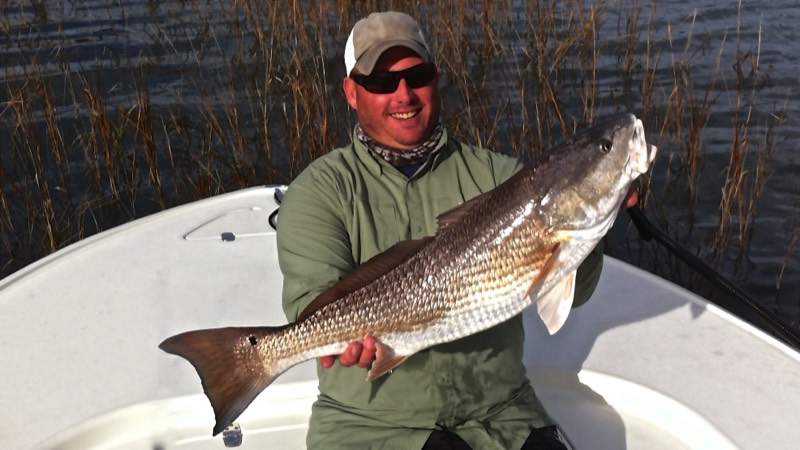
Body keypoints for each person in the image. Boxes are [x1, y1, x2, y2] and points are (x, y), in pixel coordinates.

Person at [276, 11, 637, 450]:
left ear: (436, 78)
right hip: (371, 424)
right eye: (381, 83)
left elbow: (573, 293)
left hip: (503, 413)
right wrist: (335, 338)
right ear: (352, 92)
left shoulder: (502, 177)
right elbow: (309, 303)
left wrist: (597, 220)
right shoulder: (319, 191)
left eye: (418, 76)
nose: (403, 94)